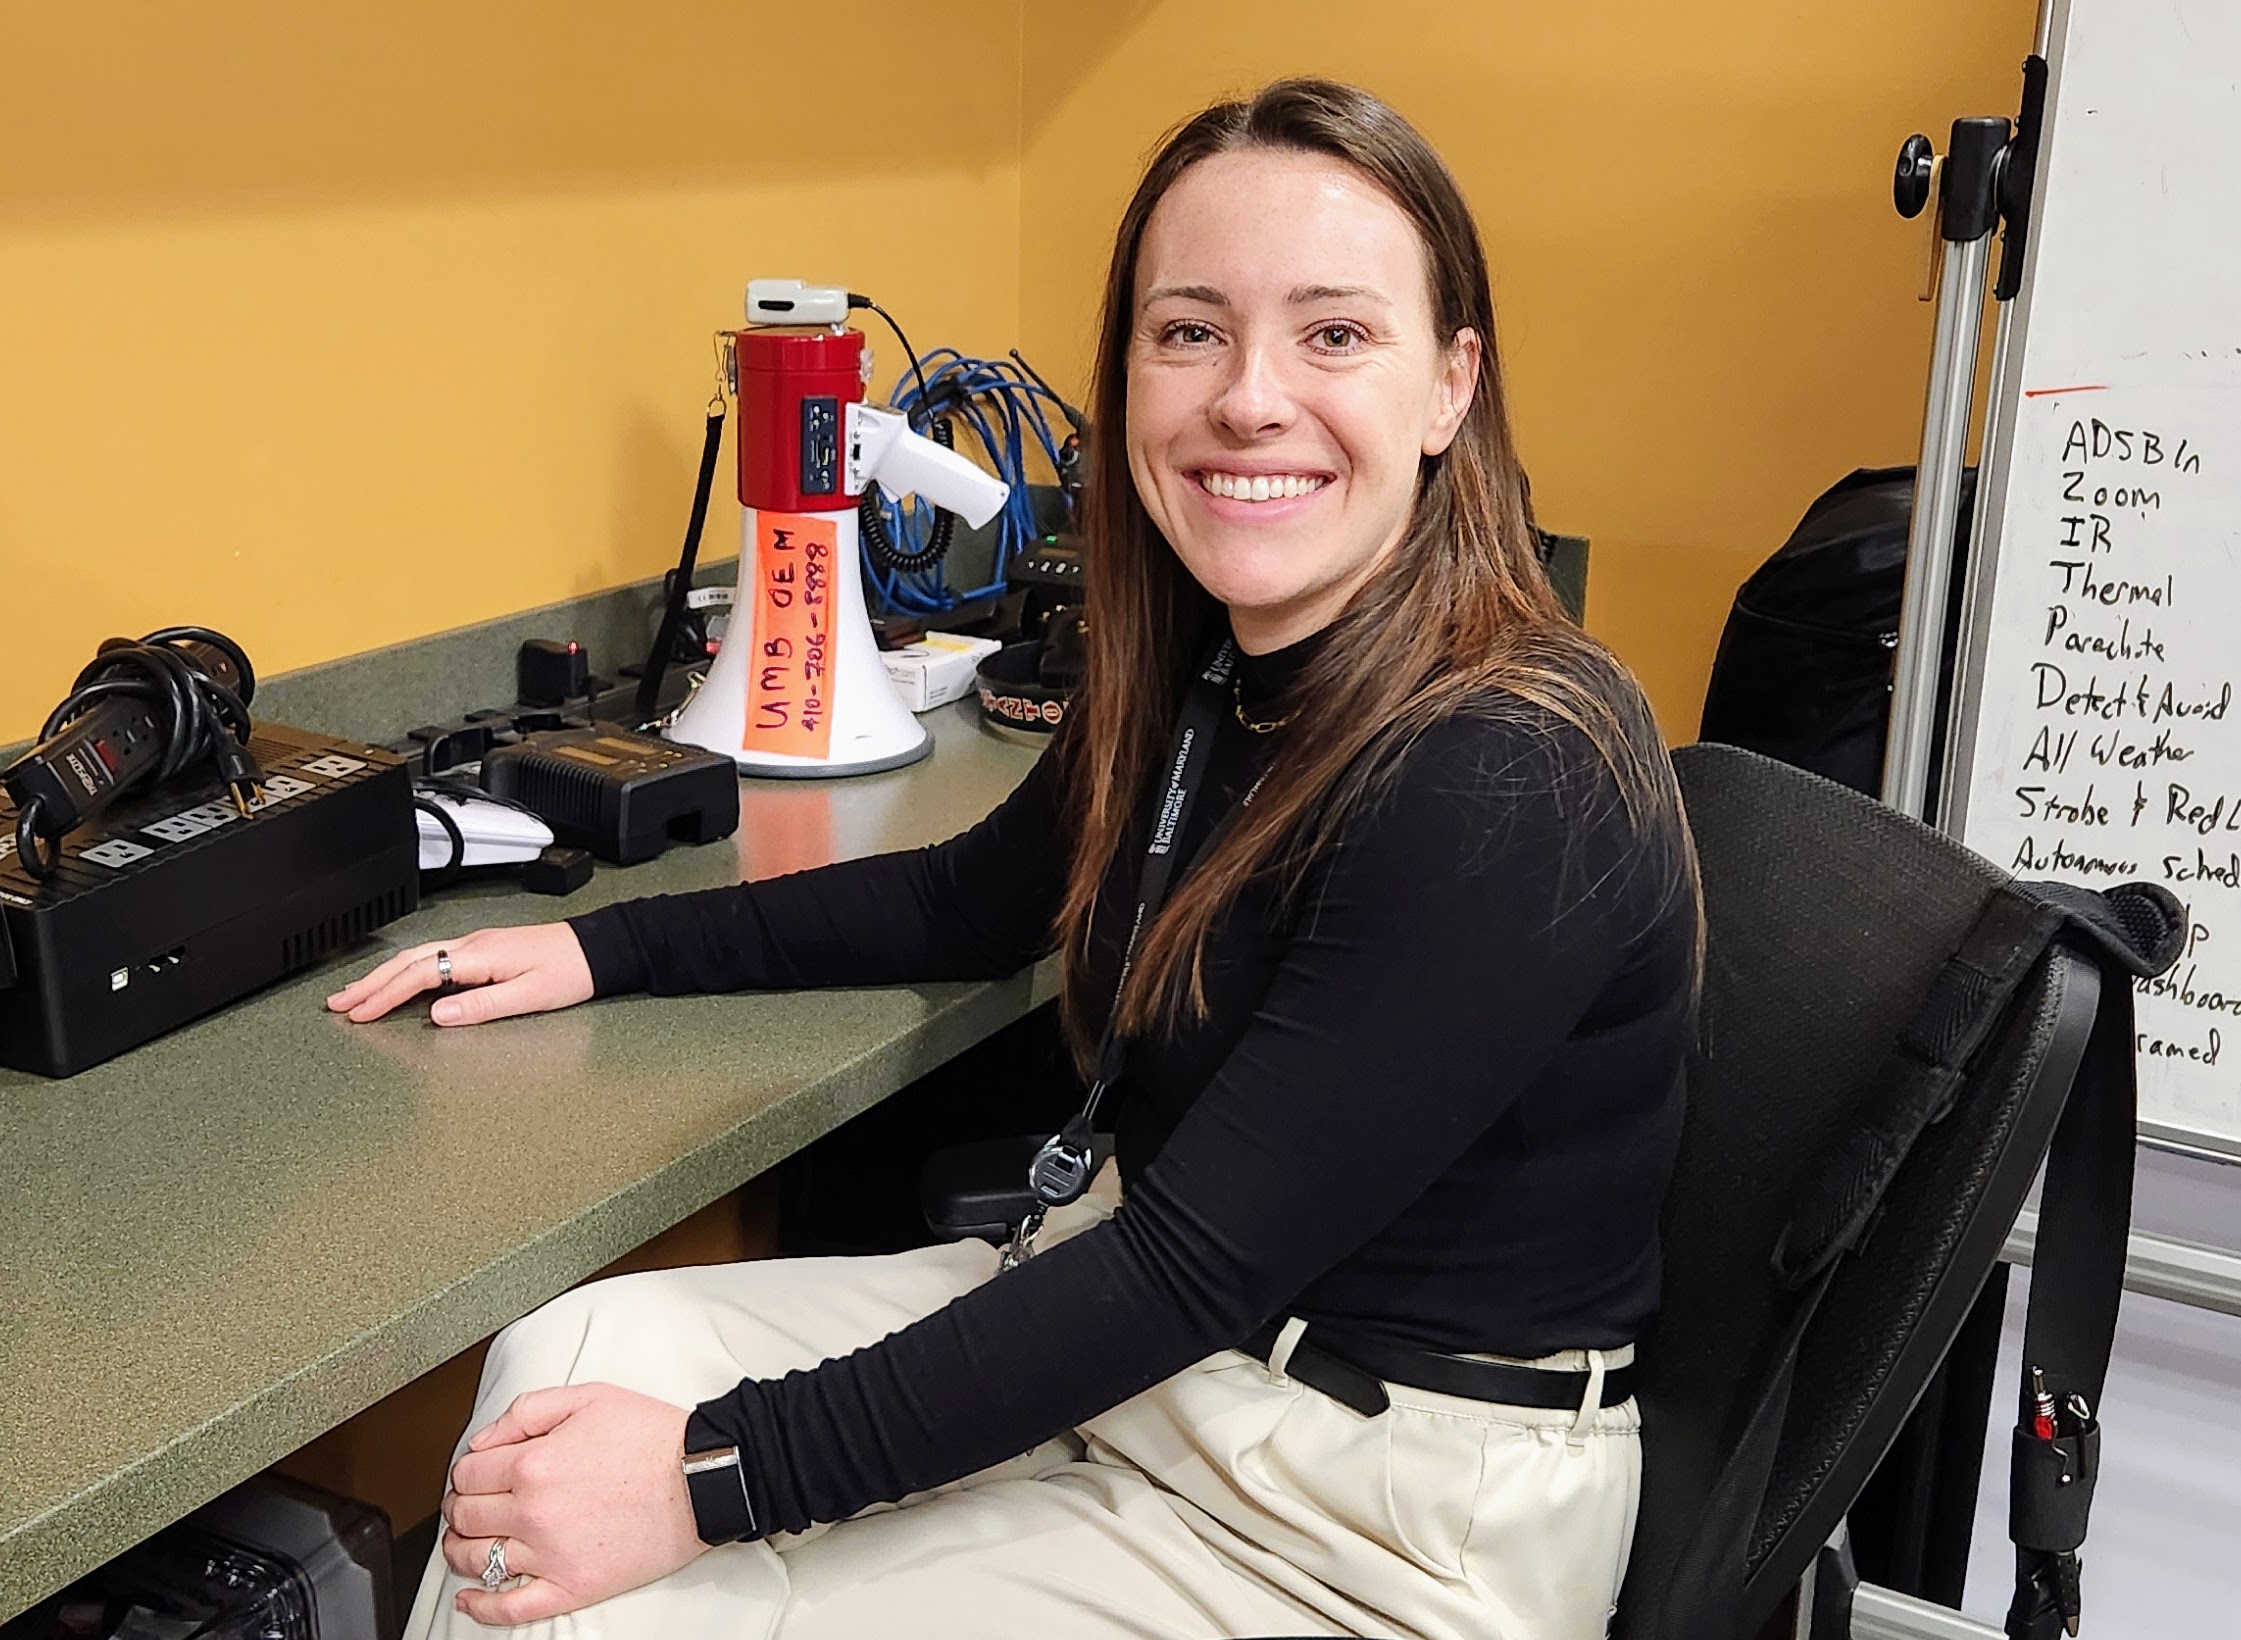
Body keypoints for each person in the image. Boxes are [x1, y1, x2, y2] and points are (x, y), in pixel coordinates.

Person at [330, 77, 1699, 1640]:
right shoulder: (1209, 662)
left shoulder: (1508, 768)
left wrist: (710, 1482)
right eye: (1188, 331)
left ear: (1450, 385)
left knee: (590, 1602)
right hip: (1169, 1362)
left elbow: (1188, 1269)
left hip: (1366, 1513)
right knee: (565, 1377)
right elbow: (972, 897)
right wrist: (602, 949)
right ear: (1124, 375)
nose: (1248, 397)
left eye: (1334, 335)